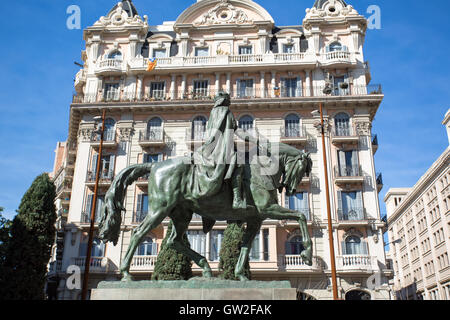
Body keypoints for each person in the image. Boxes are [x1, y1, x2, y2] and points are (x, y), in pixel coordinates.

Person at [192, 92, 246, 209]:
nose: (230, 102)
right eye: (228, 100)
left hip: (212, 147)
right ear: (224, 101)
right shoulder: (226, 112)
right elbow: (237, 131)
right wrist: (253, 140)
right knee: (239, 164)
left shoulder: (213, 112)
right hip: (223, 147)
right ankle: (236, 200)